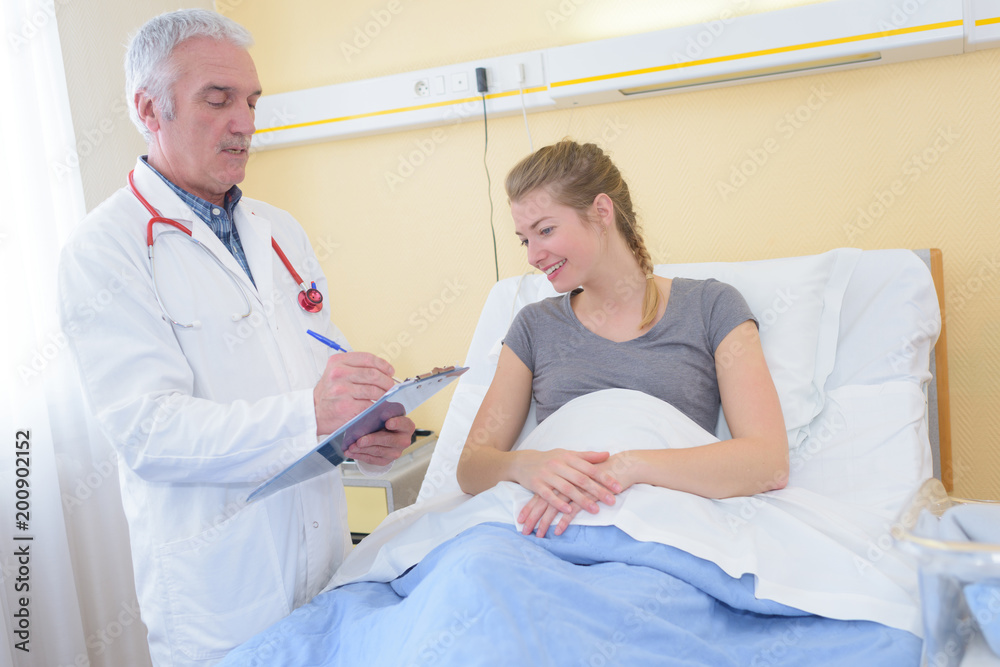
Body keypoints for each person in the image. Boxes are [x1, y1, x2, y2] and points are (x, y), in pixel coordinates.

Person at [57, 9, 414, 667]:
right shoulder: (104, 252)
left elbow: (322, 365)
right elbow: (149, 432)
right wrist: (310, 413)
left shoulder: (280, 232)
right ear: (147, 109)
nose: (246, 122)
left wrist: (365, 430)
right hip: (222, 597)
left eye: (251, 101)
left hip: (323, 569)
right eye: (217, 100)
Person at [456, 140, 789, 539]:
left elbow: (768, 462)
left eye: (545, 230)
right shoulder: (534, 327)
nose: (532, 256)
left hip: (658, 530)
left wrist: (629, 466)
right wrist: (523, 465)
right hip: (548, 532)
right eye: (526, 240)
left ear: (600, 212)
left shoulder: (711, 307)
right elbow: (472, 466)